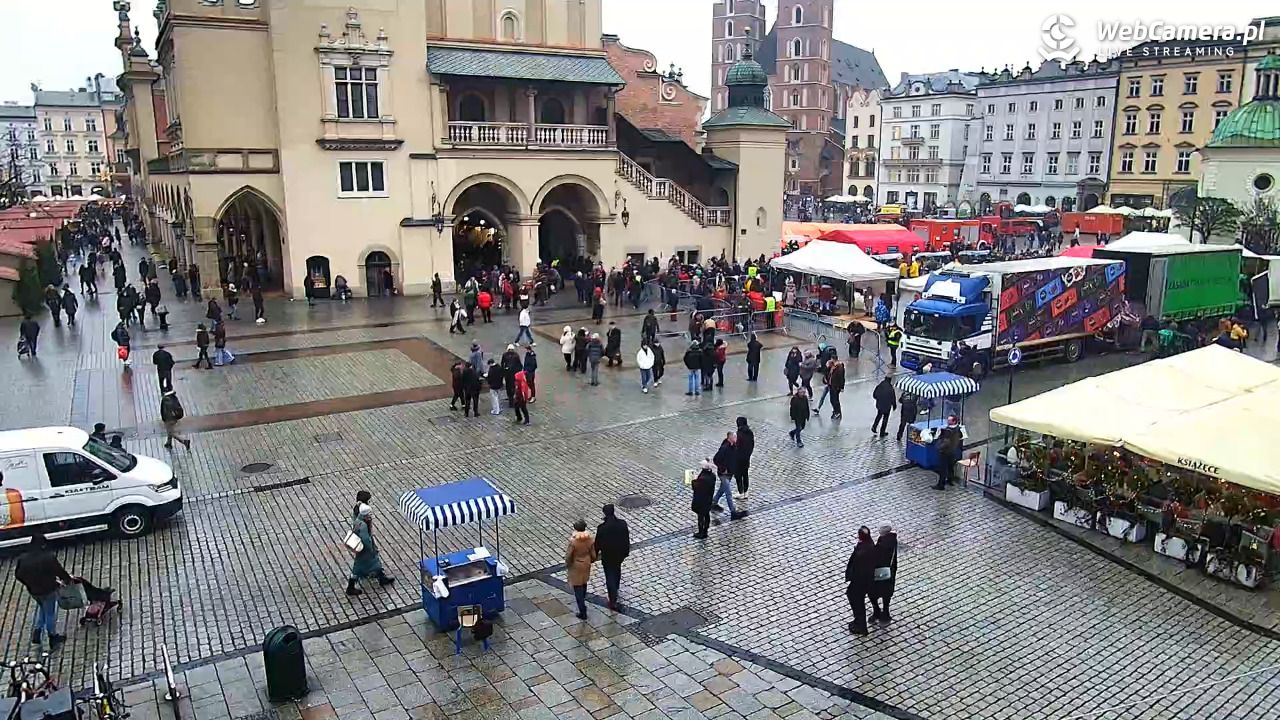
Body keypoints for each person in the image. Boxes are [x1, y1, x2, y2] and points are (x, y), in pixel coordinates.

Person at [15, 533, 73, 646]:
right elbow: (59, 571)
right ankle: (52, 636)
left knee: (42, 608)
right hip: (48, 589)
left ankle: (37, 632)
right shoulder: (48, 557)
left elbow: (18, 575)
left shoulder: (23, 558)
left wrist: (28, 584)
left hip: (34, 591)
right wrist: (67, 580)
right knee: (50, 613)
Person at [346, 491, 395, 595]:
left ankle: (381, 577)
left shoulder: (358, 516)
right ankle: (350, 587)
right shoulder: (363, 525)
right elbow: (366, 539)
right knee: (358, 568)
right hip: (366, 550)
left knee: (375, 563)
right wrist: (372, 548)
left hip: (366, 550)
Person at [594, 504, 630, 611]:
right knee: (617, 569)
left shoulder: (602, 528)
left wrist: (594, 555)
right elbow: (626, 539)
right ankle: (616, 588)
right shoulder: (622, 524)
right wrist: (625, 552)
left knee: (609, 575)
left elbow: (597, 543)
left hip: (608, 555)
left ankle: (612, 598)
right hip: (619, 554)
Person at [844, 526, 876, 635]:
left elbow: (857, 567)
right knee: (855, 598)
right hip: (865, 580)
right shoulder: (869, 544)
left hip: (860, 581)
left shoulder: (862, 551)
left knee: (856, 600)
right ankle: (858, 622)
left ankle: (861, 626)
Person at [564, 519, 598, 619]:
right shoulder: (590, 539)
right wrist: (590, 560)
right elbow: (593, 554)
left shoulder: (573, 542)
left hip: (576, 565)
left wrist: (568, 564)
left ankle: (582, 610)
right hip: (586, 563)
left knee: (577, 586)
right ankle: (583, 597)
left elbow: (569, 556)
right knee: (584, 582)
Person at [711, 432, 745, 520]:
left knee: (722, 490)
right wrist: (723, 469)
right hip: (723, 474)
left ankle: (713, 503)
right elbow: (716, 459)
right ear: (730, 438)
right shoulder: (724, 448)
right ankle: (733, 512)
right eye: (734, 437)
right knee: (728, 493)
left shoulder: (734, 446)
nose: (736, 438)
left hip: (730, 473)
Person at [870, 525, 898, 623]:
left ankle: (876, 611)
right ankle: (886, 612)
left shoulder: (882, 544)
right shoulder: (892, 540)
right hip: (890, 571)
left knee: (873, 592)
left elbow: (876, 558)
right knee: (887, 593)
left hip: (880, 572)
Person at [933, 415, 964, 489]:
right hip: (953, 451)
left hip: (945, 452)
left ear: (954, 421)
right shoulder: (958, 429)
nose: (947, 421)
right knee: (950, 467)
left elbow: (945, 442)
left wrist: (938, 447)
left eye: (949, 420)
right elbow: (960, 436)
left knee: (943, 468)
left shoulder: (947, 431)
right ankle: (950, 480)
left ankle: (941, 485)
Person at [690, 460, 716, 539]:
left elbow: (696, 488)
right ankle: (705, 530)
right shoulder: (712, 476)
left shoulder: (703, 479)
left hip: (701, 500)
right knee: (706, 514)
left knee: (701, 516)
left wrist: (694, 479)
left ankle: (701, 532)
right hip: (708, 498)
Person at [733, 416, 755, 497]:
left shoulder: (739, 434)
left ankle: (740, 492)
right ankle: (746, 491)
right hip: (746, 458)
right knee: (745, 474)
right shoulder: (749, 432)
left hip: (739, 458)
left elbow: (737, 446)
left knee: (738, 475)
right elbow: (752, 444)